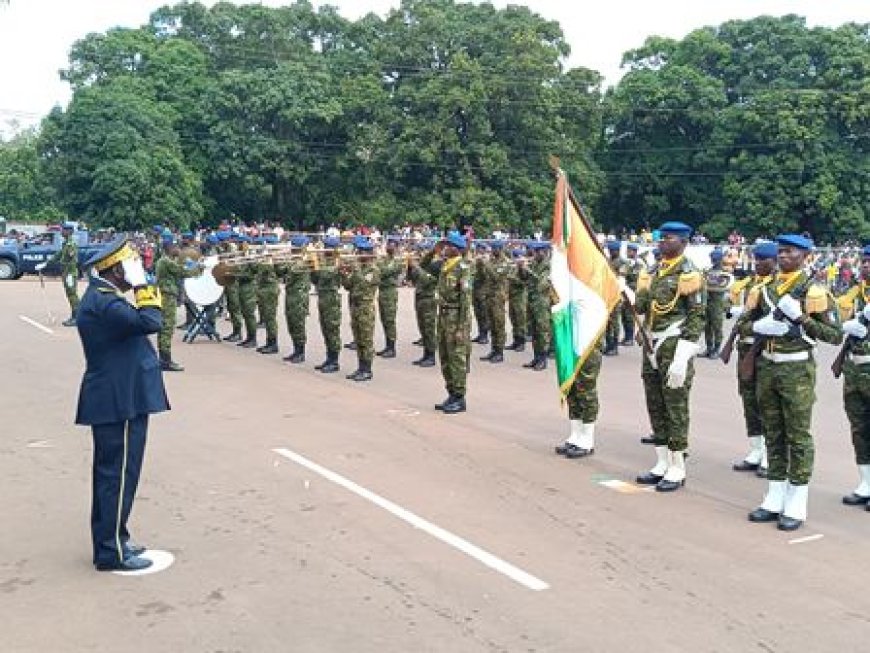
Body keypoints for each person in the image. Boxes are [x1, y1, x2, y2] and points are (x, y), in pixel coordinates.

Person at [74, 237, 169, 572]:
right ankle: (111, 551)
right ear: (117, 270)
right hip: (120, 399)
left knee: (113, 474)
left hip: (117, 395)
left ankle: (114, 538)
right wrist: (144, 284)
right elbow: (151, 322)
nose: (136, 271)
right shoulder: (107, 303)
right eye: (130, 266)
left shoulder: (104, 296)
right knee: (117, 475)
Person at [746, 234, 842, 531]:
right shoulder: (765, 289)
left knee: (797, 436)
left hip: (797, 371)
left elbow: (834, 335)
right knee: (773, 432)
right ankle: (774, 495)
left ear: (806, 257)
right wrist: (759, 326)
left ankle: (797, 501)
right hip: (768, 369)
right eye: (781, 252)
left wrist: (800, 319)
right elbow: (744, 324)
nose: (783, 256)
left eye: (790, 252)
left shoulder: (814, 291)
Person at [632, 222, 706, 492]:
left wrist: (683, 356)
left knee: (675, 406)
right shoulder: (651, 271)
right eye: (661, 238)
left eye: (669, 238)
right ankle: (662, 461)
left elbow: (697, 317)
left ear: (684, 242)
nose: (662, 242)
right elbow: (641, 306)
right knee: (655, 403)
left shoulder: (690, 274)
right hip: (651, 345)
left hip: (674, 344)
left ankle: (677, 465)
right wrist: (627, 291)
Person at [726, 242, 777, 477]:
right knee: (748, 401)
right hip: (744, 349)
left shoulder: (775, 288)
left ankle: (769, 452)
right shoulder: (749, 285)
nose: (757, 264)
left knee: (765, 403)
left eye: (762, 260)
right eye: (756, 260)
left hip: (762, 350)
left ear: (773, 262)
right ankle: (756, 449)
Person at [835, 246, 870, 510]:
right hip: (855, 371)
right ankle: (866, 483)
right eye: (865, 261)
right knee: (859, 428)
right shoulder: (857, 294)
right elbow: (839, 324)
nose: (866, 266)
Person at [435, 232, 473, 414]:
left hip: (455, 317)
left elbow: (466, 301)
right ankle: (451, 393)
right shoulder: (445, 266)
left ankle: (460, 397)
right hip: (443, 317)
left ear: (455, 249)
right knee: (444, 356)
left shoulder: (462, 268)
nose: (444, 248)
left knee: (457, 358)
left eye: (447, 245)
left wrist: (461, 328)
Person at [154, 236, 202, 372]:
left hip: (166, 295)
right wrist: (198, 268)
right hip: (167, 297)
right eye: (175, 247)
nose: (178, 249)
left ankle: (164, 359)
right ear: (169, 248)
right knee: (167, 327)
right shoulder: (166, 262)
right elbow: (182, 272)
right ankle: (166, 361)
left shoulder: (165, 261)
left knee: (164, 327)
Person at [554, 339, 603, 459]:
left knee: (586, 390)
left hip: (589, 343)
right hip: (573, 342)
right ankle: (576, 435)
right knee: (572, 388)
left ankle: (587, 440)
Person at [340, 238, 381, 381]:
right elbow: (348, 286)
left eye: (360, 251)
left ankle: (367, 370)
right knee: (358, 339)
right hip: (355, 306)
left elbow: (364, 285)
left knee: (366, 339)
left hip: (365, 308)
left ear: (368, 253)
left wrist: (354, 270)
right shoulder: (359, 268)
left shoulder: (373, 270)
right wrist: (344, 273)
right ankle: (360, 367)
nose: (357, 254)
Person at [37, 222, 80, 327]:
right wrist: (46, 263)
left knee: (72, 295)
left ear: (69, 231)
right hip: (66, 272)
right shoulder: (66, 243)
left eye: (64, 230)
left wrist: (67, 271)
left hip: (70, 272)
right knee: (70, 294)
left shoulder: (71, 244)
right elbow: (58, 255)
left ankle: (77, 318)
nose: (62, 232)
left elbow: (72, 259)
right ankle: (76, 316)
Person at [311, 237, 343, 373]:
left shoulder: (337, 262)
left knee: (332, 330)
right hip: (323, 297)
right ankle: (329, 358)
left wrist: (316, 264)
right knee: (325, 329)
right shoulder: (323, 261)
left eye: (326, 247)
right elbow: (316, 280)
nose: (323, 249)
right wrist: (312, 268)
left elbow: (325, 274)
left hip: (332, 299)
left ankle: (334, 361)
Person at [278, 235, 311, 364]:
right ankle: (296, 350)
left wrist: (284, 260)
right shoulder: (294, 260)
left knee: (298, 324)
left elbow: (291, 271)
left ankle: (301, 352)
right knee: (291, 324)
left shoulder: (303, 261)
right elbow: (280, 271)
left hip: (299, 297)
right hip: (291, 296)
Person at [519, 242, 552, 371]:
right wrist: (521, 269)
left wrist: (528, 270)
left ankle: (543, 359)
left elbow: (541, 284)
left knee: (542, 331)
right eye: (535, 251)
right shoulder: (534, 263)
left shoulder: (548, 266)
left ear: (545, 252)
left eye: (539, 252)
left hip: (542, 303)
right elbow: (524, 279)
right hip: (532, 301)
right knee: (533, 331)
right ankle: (536, 357)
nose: (536, 254)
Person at [407, 241, 440, 367]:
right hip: (421, 298)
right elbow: (413, 276)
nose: (421, 254)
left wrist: (415, 266)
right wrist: (410, 266)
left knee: (429, 329)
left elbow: (425, 278)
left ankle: (431, 356)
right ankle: (426, 354)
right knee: (423, 328)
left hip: (429, 300)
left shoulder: (438, 266)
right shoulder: (427, 264)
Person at [480, 241, 512, 363]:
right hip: (489, 296)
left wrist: (486, 264)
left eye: (494, 249)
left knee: (499, 324)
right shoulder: (492, 261)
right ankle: (494, 349)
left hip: (498, 297)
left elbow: (496, 277)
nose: (492, 251)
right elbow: (485, 276)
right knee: (492, 324)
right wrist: (481, 265)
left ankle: (500, 352)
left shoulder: (505, 263)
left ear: (499, 249)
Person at [376, 237, 403, 359]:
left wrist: (382, 270)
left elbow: (384, 272)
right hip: (382, 291)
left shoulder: (398, 261)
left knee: (389, 320)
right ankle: (387, 346)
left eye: (392, 245)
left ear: (396, 247)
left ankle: (391, 348)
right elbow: (380, 270)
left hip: (390, 292)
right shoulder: (384, 259)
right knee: (384, 319)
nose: (389, 247)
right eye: (388, 245)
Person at [703, 249, 731, 358]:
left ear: (720, 260)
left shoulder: (725, 272)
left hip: (718, 303)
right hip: (707, 302)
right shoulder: (708, 271)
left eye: (715, 259)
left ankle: (717, 349)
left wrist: (709, 283)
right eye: (712, 259)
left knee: (717, 327)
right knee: (707, 327)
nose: (713, 261)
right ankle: (709, 348)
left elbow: (722, 286)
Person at [604, 240, 626, 356]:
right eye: (610, 250)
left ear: (618, 250)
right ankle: (608, 343)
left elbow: (621, 278)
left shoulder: (622, 262)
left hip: (616, 295)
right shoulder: (607, 261)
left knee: (615, 322)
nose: (612, 252)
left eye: (614, 250)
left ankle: (614, 345)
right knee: (608, 321)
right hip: (607, 294)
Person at [620, 243, 643, 345]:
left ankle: (630, 338)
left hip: (633, 293)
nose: (628, 252)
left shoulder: (639, 264)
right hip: (625, 292)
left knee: (630, 316)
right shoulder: (626, 263)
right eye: (627, 250)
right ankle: (626, 336)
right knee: (624, 315)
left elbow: (636, 278)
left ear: (635, 252)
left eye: (630, 251)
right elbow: (622, 274)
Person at [506, 246, 528, 352]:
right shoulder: (512, 267)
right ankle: (515, 341)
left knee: (520, 321)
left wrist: (513, 278)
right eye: (514, 256)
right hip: (512, 297)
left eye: (516, 256)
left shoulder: (523, 268)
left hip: (520, 297)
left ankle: (521, 342)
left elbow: (524, 282)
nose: (515, 258)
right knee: (514, 320)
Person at [471, 243, 491, 345]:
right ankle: (480, 333)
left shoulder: (486, 260)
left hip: (483, 291)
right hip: (476, 290)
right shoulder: (477, 259)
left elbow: (484, 275)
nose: (478, 250)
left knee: (484, 314)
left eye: (480, 248)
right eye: (478, 248)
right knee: (478, 313)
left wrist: (480, 263)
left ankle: (485, 335)